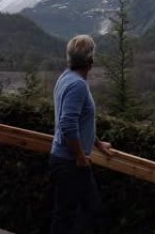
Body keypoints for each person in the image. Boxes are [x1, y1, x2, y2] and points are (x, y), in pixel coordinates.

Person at [50, 34, 113, 234]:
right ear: (91, 61)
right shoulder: (78, 85)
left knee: (66, 213)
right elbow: (68, 124)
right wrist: (80, 157)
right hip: (71, 161)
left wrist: (98, 144)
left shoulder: (66, 77)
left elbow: (79, 122)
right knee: (90, 210)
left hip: (63, 159)